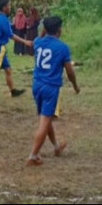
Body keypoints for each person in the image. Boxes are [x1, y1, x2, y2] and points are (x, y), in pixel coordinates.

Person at [27, 16, 80, 166]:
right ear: (59, 30)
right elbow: (70, 72)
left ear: (44, 29)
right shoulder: (62, 48)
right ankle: (33, 155)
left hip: (37, 85)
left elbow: (40, 38)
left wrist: (44, 31)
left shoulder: (38, 43)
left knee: (46, 117)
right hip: (51, 88)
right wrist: (75, 86)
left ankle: (56, 147)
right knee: (44, 122)